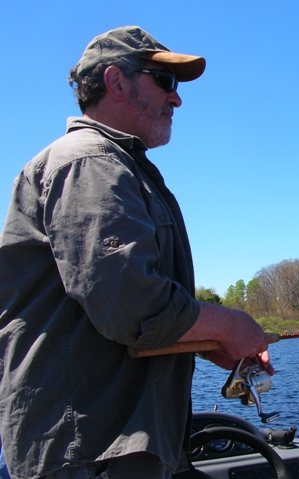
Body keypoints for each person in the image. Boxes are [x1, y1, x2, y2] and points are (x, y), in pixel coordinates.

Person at [0, 26, 273, 479]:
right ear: (115, 81)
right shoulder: (90, 164)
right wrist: (228, 325)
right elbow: (130, 302)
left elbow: (119, 309)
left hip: (120, 449)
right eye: (164, 81)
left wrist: (210, 344)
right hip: (91, 453)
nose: (177, 98)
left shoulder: (117, 166)